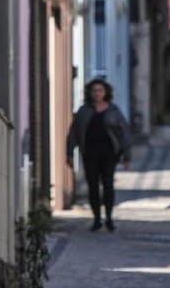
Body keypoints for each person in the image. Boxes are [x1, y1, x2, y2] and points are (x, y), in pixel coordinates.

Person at [67, 78, 132, 232]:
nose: (97, 93)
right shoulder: (84, 111)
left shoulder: (113, 111)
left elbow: (124, 133)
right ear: (90, 93)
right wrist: (69, 153)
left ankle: (109, 217)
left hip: (109, 153)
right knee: (93, 186)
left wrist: (126, 155)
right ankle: (97, 218)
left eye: (100, 90)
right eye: (94, 90)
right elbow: (74, 133)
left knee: (108, 184)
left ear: (106, 92)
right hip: (90, 153)